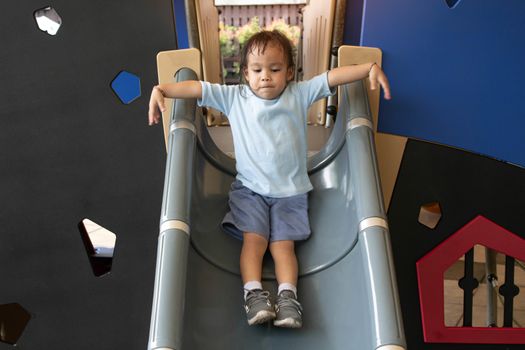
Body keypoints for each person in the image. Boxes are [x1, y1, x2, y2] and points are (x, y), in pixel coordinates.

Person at [148, 30, 391, 328]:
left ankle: (289, 299)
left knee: (283, 247)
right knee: (254, 241)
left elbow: (332, 77)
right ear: (246, 74)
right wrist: (163, 89)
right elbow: (197, 88)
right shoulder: (234, 97)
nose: (266, 77)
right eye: (257, 70)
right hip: (250, 191)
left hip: (291, 192)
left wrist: (368, 68)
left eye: (275, 69)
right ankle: (254, 295)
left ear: (289, 72)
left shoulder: (298, 94)